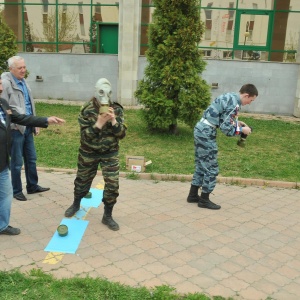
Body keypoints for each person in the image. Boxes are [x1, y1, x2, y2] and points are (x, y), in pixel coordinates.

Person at [0, 78, 65, 235]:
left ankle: (2, 226)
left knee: (6, 194)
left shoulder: (3, 103)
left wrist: (45, 120)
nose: (1, 88)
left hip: (2, 163)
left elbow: (21, 118)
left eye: (1, 84)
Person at [64, 78, 127, 231]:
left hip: (109, 153)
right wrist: (99, 123)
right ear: (96, 92)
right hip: (89, 152)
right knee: (82, 181)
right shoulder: (87, 109)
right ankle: (76, 203)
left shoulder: (116, 109)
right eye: (101, 92)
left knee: (112, 184)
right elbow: (86, 136)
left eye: (107, 92)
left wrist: (113, 120)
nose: (105, 96)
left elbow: (122, 134)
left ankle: (107, 215)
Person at [187, 84, 258, 210]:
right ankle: (204, 200)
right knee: (211, 168)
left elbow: (222, 118)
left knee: (201, 164)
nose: (249, 103)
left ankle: (193, 195)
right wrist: (242, 130)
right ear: (246, 95)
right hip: (206, 133)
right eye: (250, 100)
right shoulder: (234, 104)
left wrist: (236, 123)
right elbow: (226, 129)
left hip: (201, 128)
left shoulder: (229, 96)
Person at [1, 56, 50, 201]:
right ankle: (16, 191)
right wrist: (11, 126)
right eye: (20, 68)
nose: (23, 70)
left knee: (31, 159)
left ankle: (32, 185)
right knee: (16, 163)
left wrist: (34, 123)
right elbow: (4, 108)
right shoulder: (5, 83)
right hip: (16, 128)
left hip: (28, 125)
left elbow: (29, 104)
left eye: (24, 67)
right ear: (11, 69)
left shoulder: (23, 82)